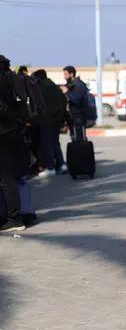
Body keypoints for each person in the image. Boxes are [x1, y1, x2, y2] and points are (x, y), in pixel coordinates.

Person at [0, 55, 26, 232]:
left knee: (5, 177)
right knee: (15, 175)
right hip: (14, 130)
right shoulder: (12, 78)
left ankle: (15, 218)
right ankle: (23, 213)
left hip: (3, 131)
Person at [31, 69, 68, 176]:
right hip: (56, 120)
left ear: (38, 78)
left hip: (46, 120)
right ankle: (61, 165)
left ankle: (50, 167)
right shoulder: (55, 87)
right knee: (55, 143)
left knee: (47, 144)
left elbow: (37, 105)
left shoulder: (40, 88)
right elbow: (63, 102)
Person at [62, 65, 89, 141]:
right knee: (74, 138)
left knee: (79, 139)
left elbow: (77, 99)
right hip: (72, 116)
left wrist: (67, 92)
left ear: (71, 74)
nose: (64, 77)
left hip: (78, 116)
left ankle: (81, 151)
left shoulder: (78, 85)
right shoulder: (71, 84)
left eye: (65, 74)